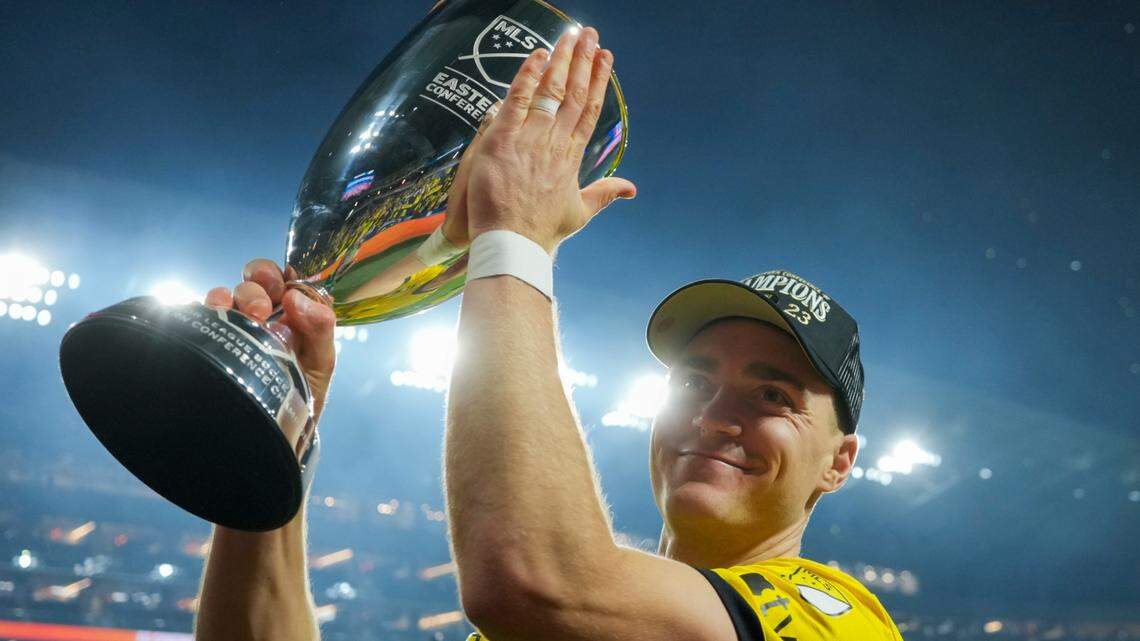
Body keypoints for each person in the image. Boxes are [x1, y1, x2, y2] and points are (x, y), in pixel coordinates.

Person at [194, 26, 902, 641]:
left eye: (772, 393)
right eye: (694, 381)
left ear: (838, 463)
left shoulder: (836, 617)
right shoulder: (568, 615)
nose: (717, 415)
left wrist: (516, 235)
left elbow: (529, 581)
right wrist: (284, 431)